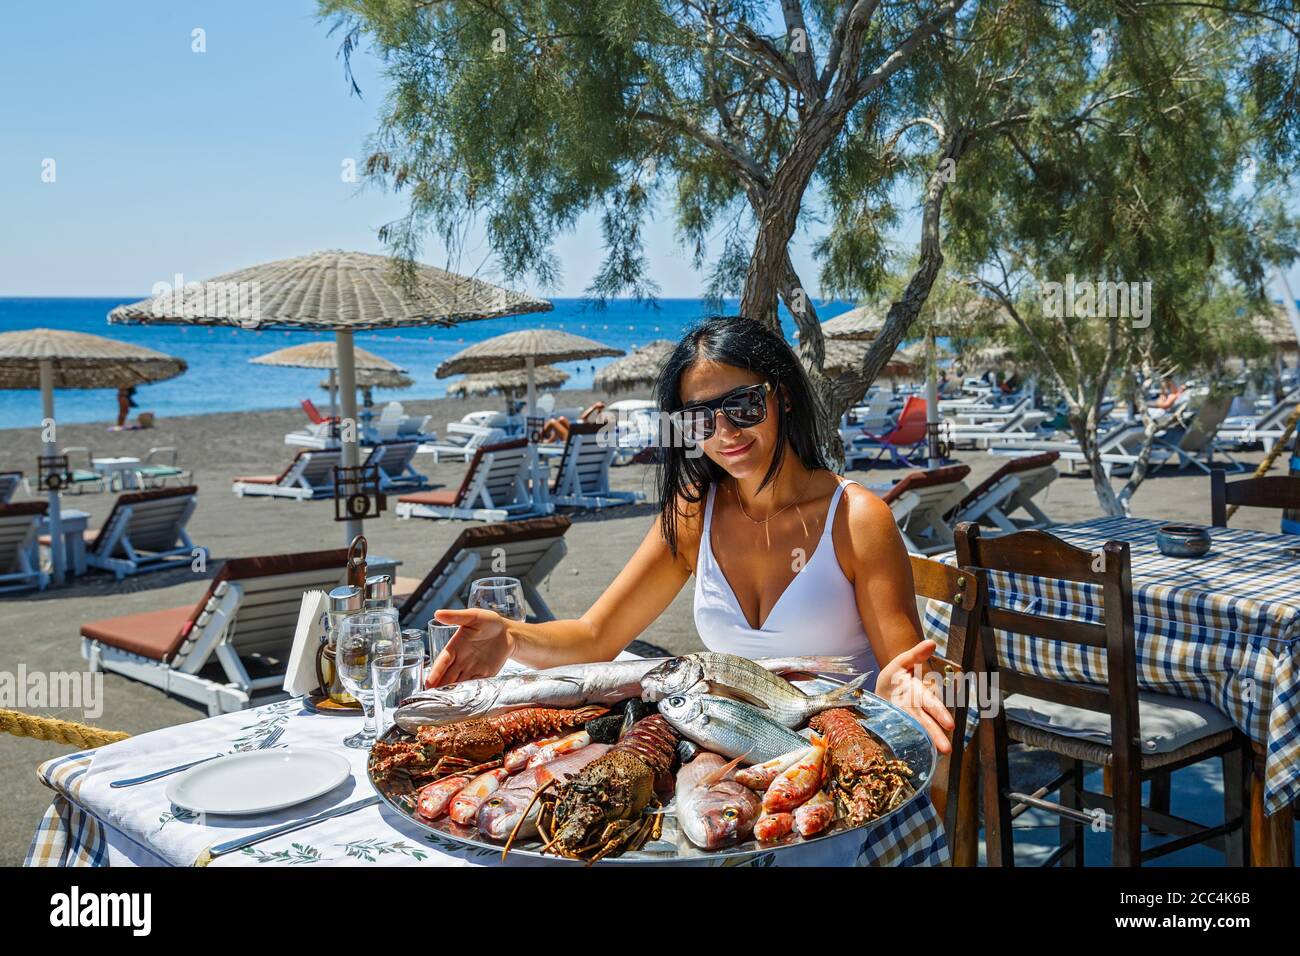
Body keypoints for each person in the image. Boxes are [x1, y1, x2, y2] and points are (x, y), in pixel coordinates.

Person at [429, 316, 955, 753]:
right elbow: (595, 638)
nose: (724, 432)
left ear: (785, 397)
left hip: (837, 752)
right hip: (726, 753)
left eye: (743, 405)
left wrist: (900, 689)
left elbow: (907, 675)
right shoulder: (692, 512)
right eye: (698, 418)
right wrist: (512, 636)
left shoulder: (856, 518)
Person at [538, 400, 608, 443]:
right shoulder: (597, 428)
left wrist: (594, 407)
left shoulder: (600, 425)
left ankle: (538, 439)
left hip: (573, 441)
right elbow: (584, 419)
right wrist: (597, 408)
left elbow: (583, 418)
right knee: (561, 419)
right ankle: (549, 441)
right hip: (578, 440)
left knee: (552, 422)